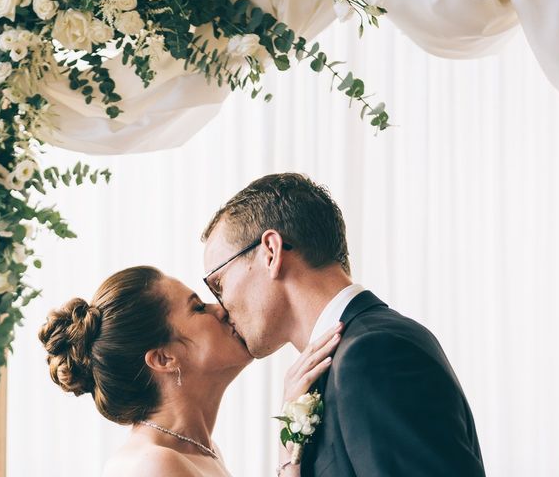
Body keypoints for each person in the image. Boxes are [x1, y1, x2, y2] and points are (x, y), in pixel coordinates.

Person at [202, 172, 486, 476]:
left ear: (270, 252)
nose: (221, 307)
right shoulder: (355, 353)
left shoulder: (373, 354)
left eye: (218, 283)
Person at [38, 265, 341, 476]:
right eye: (197, 308)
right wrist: (289, 446)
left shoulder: (200, 451)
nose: (220, 309)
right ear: (163, 359)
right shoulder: (152, 466)